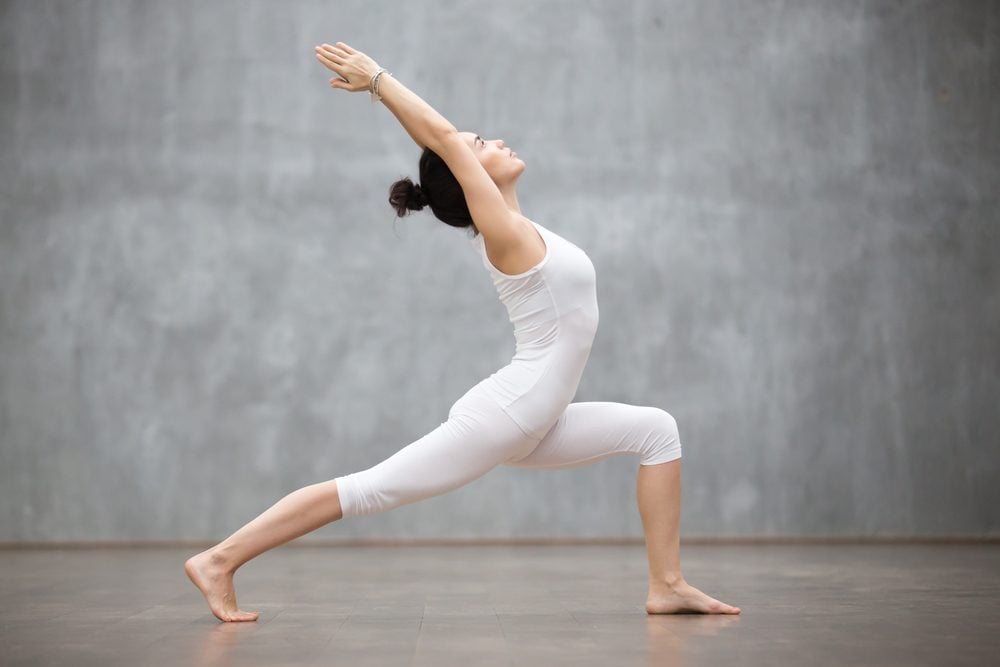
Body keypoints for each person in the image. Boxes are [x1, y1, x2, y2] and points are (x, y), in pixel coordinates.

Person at [184, 41, 741, 622]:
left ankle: (667, 584)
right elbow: (445, 139)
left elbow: (451, 145)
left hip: (537, 419)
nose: (494, 141)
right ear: (468, 176)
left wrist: (422, 119)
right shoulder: (503, 234)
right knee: (369, 490)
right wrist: (379, 81)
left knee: (657, 431)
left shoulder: (520, 226)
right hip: (508, 413)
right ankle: (220, 560)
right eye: (481, 146)